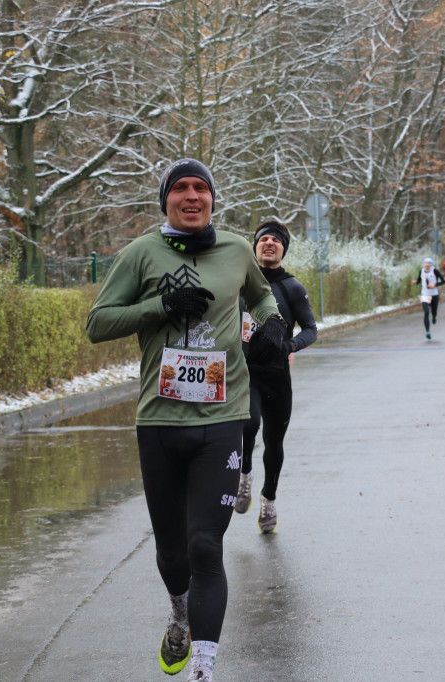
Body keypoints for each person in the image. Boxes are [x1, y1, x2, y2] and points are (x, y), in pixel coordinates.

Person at [85, 159, 282, 682]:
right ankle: (179, 613)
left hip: (223, 417)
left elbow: (261, 295)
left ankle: (203, 670)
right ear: (166, 199)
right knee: (172, 552)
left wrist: (272, 324)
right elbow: (98, 324)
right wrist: (161, 305)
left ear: (213, 198)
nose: (192, 196)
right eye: (180, 189)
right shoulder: (140, 253)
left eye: (201, 188)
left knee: (204, 546)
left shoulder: (236, 249)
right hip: (160, 420)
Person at [235, 220, 317, 533]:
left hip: (277, 376)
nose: (269, 243)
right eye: (264, 239)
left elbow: (310, 329)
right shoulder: (239, 282)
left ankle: (268, 498)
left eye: (276, 240)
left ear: (283, 249)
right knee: (249, 423)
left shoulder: (291, 287)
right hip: (245, 372)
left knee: (274, 442)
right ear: (255, 247)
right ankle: (244, 474)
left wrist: (289, 346)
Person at [412, 258, 445, 338]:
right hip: (425, 295)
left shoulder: (435, 271)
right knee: (426, 312)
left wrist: (434, 285)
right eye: (426, 263)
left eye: (429, 263)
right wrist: (416, 282)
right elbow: (419, 280)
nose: (427, 265)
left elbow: (443, 281)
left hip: (434, 295)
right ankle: (427, 332)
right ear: (424, 264)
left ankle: (434, 317)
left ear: (431, 264)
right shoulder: (421, 271)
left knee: (434, 311)